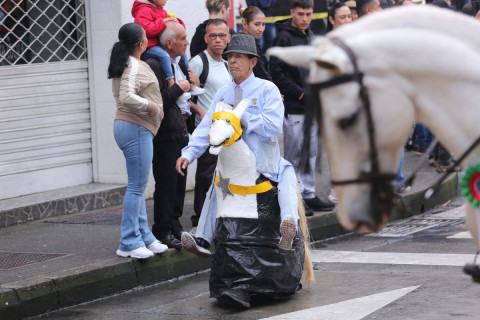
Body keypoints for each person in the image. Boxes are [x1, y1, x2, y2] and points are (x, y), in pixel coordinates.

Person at [176, 34, 305, 308]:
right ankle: (202, 237)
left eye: (238, 57)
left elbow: (274, 127)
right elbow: (206, 127)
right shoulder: (223, 92)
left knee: (286, 178)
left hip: (265, 165)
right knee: (215, 186)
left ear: (252, 62)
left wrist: (244, 115)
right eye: (229, 57)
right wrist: (188, 153)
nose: (232, 61)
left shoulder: (267, 89)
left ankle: (289, 223)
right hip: (231, 170)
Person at [107, 22, 168, 259]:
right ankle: (129, 242)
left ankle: (144, 236)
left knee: (138, 186)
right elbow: (126, 96)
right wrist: (150, 105)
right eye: (146, 37)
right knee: (136, 187)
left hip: (132, 127)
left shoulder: (127, 62)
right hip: (136, 126)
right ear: (141, 44)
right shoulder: (132, 64)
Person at [269, 0, 335, 216]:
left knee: (311, 153)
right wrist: (299, 93)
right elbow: (276, 73)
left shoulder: (311, 37)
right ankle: (294, 197)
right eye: (301, 14)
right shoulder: (283, 38)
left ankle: (308, 193)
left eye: (308, 14)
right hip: (295, 107)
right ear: (292, 13)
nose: (305, 18)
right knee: (294, 155)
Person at [146, 21, 203, 249]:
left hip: (180, 129)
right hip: (165, 133)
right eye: (182, 39)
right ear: (169, 43)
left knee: (179, 182)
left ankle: (175, 226)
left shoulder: (177, 62)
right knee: (167, 183)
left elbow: (185, 96)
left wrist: (193, 89)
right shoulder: (154, 65)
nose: (187, 43)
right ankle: (162, 230)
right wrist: (180, 87)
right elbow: (159, 101)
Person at [188, 18, 232, 228]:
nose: (217, 40)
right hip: (207, 129)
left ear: (228, 38)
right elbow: (184, 94)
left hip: (227, 128)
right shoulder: (198, 62)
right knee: (206, 174)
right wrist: (198, 110)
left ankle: (220, 217)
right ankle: (200, 219)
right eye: (213, 36)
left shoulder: (226, 63)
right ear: (206, 38)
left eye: (222, 36)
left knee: (224, 173)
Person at [132, 0, 204, 96]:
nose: (187, 43)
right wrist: (163, 21)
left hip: (159, 45)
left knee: (183, 55)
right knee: (164, 56)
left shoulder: (161, 10)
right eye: (183, 39)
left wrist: (175, 21)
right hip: (149, 46)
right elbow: (147, 30)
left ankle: (190, 80)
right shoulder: (143, 10)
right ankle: (171, 82)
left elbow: (174, 29)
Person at [240, 6, 272, 81]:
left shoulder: (252, 44)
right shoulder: (245, 46)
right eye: (257, 24)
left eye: (263, 24)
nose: (261, 29)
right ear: (245, 24)